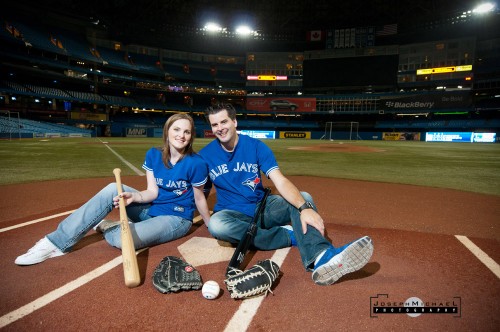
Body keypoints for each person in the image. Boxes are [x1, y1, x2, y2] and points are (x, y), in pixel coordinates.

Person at [198, 103, 373, 285]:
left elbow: (279, 181)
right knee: (217, 226)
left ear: (234, 121)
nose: (219, 128)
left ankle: (321, 257)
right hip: (232, 215)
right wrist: (207, 224)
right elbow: (200, 193)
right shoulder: (205, 156)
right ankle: (289, 235)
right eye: (214, 125)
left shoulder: (256, 146)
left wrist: (304, 208)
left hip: (263, 208)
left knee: (304, 198)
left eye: (223, 122)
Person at [15, 113, 211, 266]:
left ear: (191, 136)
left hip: (175, 219)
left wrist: (210, 225)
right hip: (151, 207)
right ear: (167, 131)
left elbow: (199, 198)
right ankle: (55, 243)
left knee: (121, 239)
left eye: (186, 132)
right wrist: (134, 196)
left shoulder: (196, 163)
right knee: (112, 189)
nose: (181, 135)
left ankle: (108, 226)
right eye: (176, 129)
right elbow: (153, 192)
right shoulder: (154, 155)